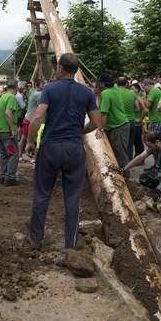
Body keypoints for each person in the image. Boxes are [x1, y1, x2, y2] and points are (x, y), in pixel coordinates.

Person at [26, 53, 102, 250]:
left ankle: (35, 239)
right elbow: (96, 122)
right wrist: (79, 131)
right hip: (74, 149)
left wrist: (30, 141)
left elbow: (36, 118)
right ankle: (71, 243)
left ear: (60, 68)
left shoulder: (50, 89)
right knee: (72, 197)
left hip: (50, 147)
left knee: (42, 194)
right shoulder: (86, 92)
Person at [96, 73, 130, 169]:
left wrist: (101, 129)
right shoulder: (115, 89)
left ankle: (125, 177)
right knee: (120, 153)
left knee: (120, 154)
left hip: (117, 127)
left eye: (99, 83)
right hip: (121, 124)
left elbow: (104, 114)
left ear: (103, 84)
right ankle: (123, 175)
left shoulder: (105, 93)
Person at [0, 81, 20, 186]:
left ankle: (3, 175)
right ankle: (10, 178)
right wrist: (13, 129)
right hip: (7, 132)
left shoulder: (2, 97)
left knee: (4, 155)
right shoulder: (11, 98)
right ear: (16, 87)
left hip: (0, 130)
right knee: (13, 154)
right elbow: (8, 113)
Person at [116, 76, 140, 160]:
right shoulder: (132, 93)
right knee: (130, 145)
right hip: (131, 121)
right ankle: (129, 164)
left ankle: (121, 167)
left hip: (120, 122)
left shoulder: (114, 92)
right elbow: (137, 108)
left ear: (117, 83)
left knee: (120, 146)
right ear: (126, 84)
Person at [19, 79, 43, 160]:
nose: (44, 86)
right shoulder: (39, 94)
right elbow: (42, 106)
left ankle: (20, 155)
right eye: (42, 85)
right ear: (37, 85)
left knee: (23, 138)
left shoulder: (32, 92)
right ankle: (35, 158)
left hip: (27, 117)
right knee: (37, 139)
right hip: (32, 120)